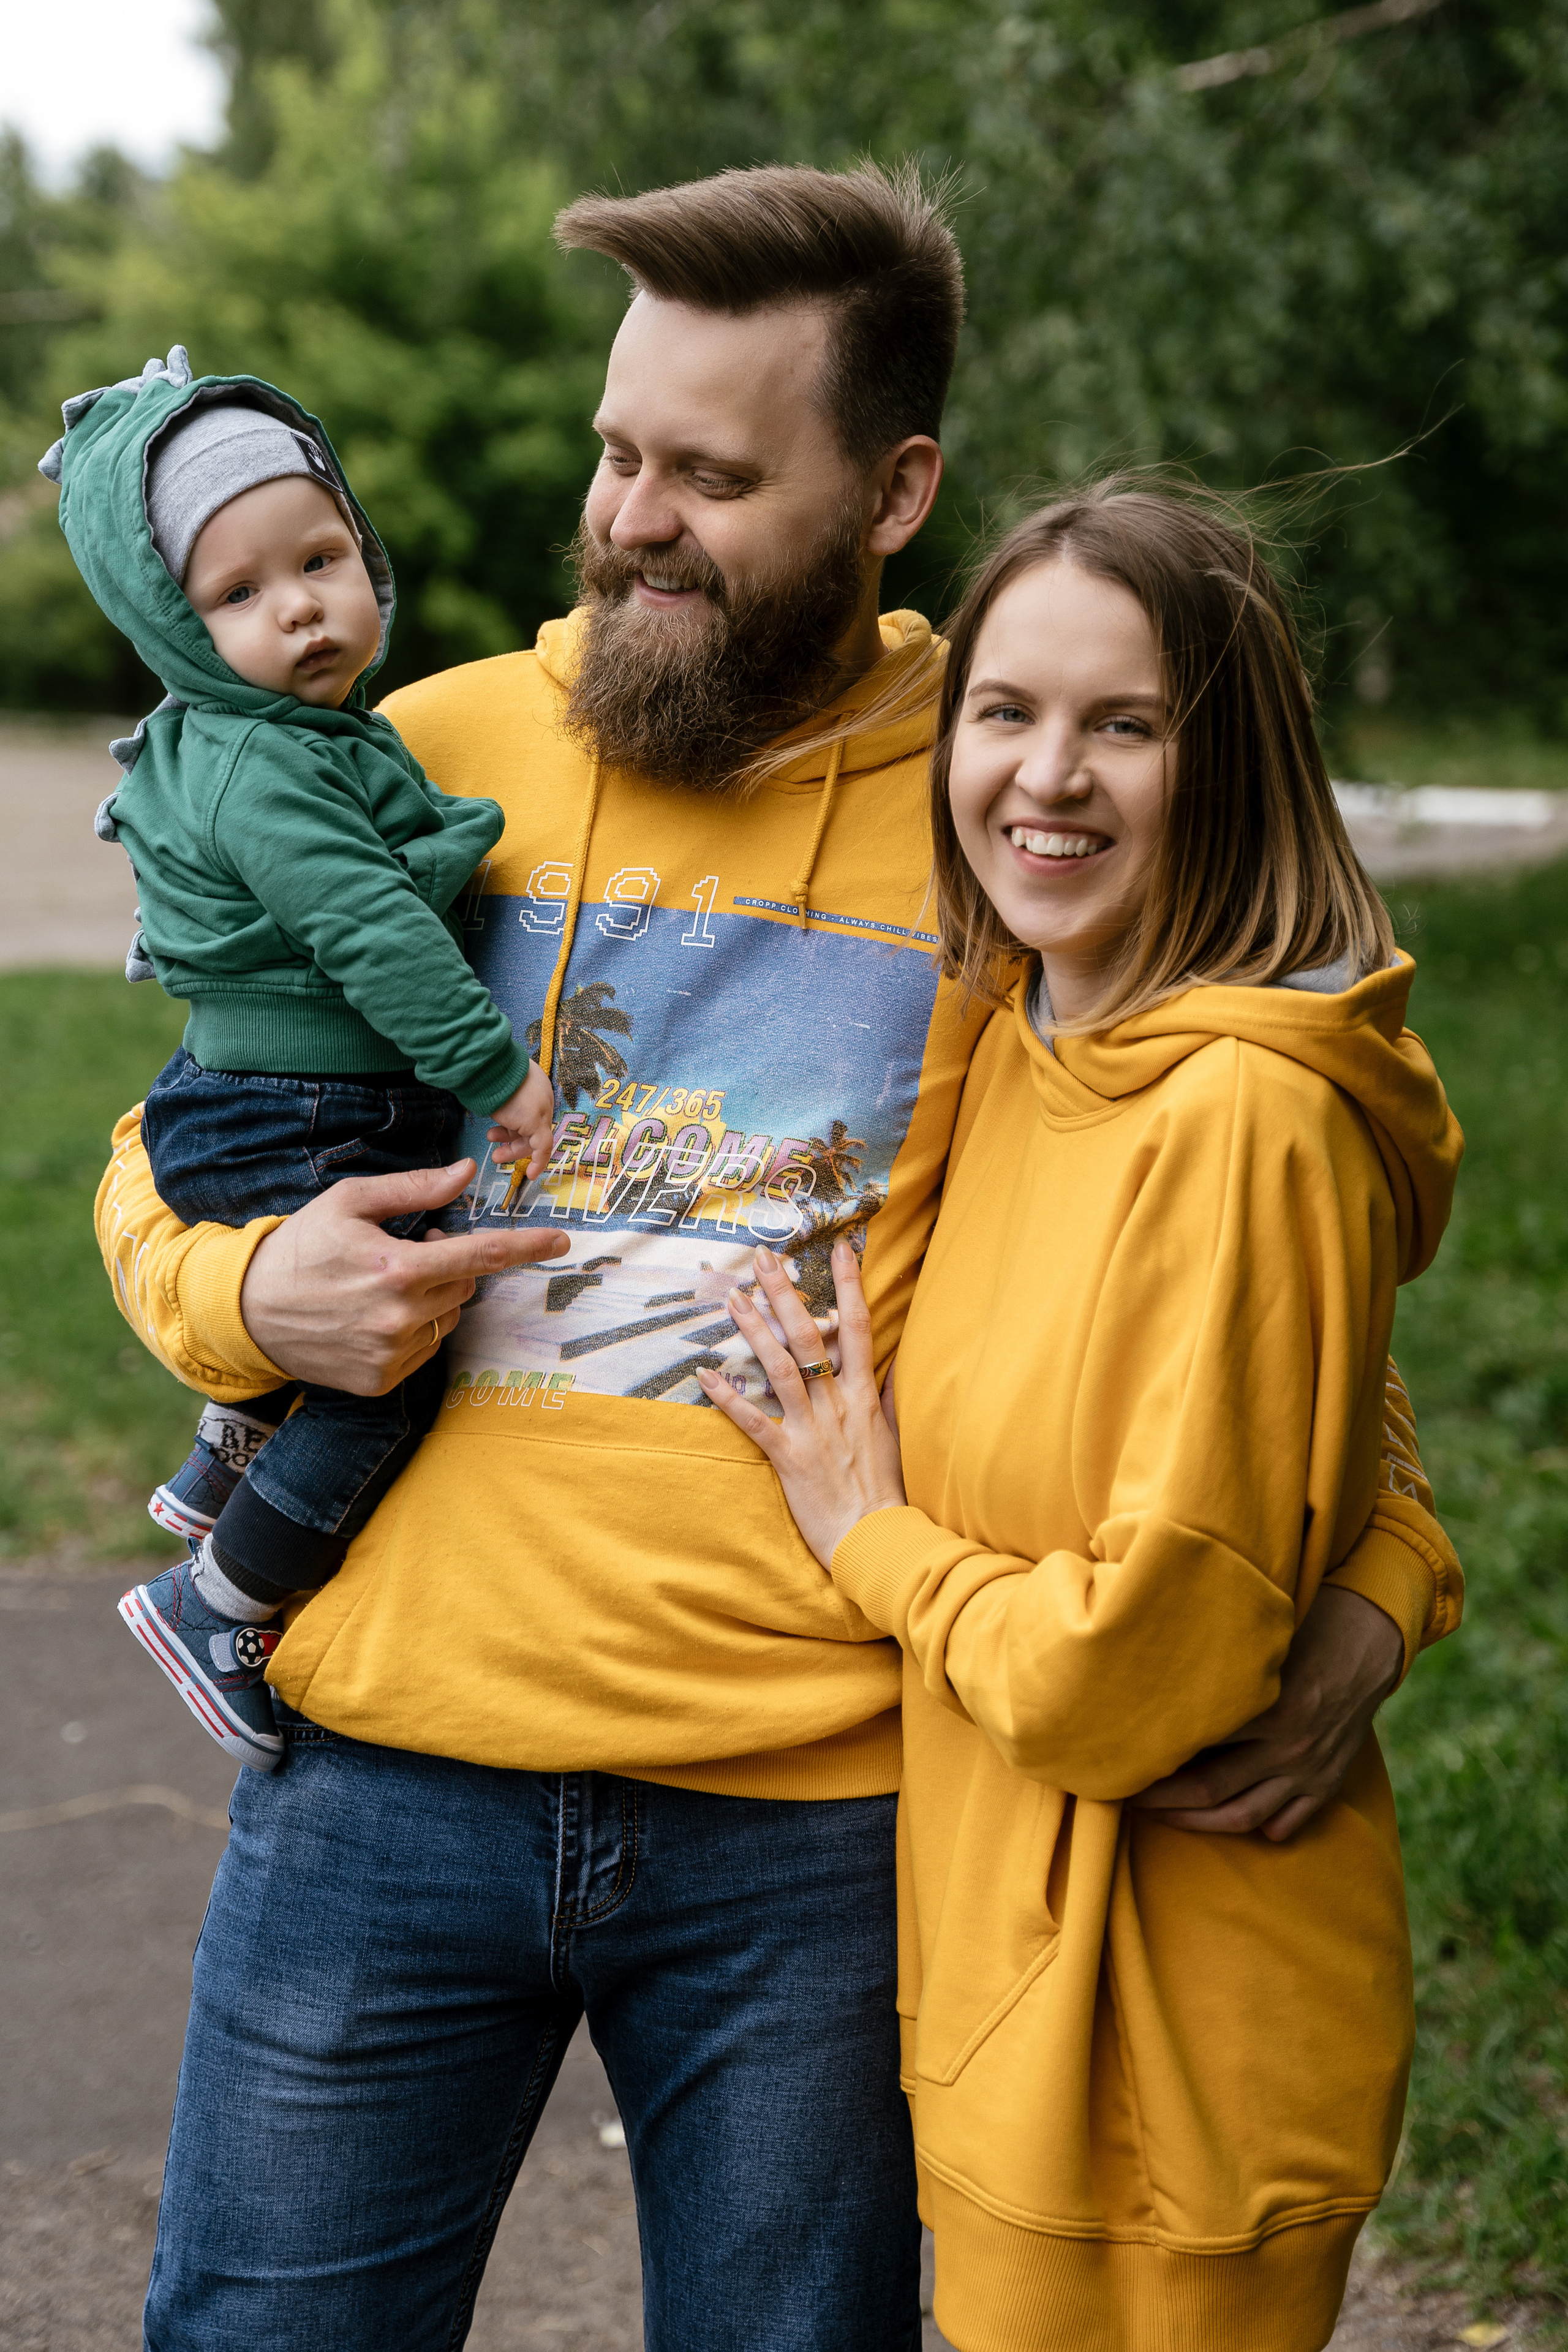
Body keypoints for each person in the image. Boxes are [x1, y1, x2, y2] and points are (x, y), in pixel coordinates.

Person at [92, 169, 1461, 2350]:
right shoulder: (414, 760)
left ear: (895, 487)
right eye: (621, 449)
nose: (633, 515)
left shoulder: (1013, 808)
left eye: (716, 476)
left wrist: (1379, 1598)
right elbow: (179, 1145)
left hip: (820, 1826)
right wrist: (240, 1300)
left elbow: (1256, 1239)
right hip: (385, 1784)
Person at [697, 481, 1464, 2352]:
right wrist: (1395, 1564)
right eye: (1008, 711)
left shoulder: (1246, 1117)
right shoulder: (1023, 1043)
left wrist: (864, 1531)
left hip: (1170, 2066)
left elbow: (1142, 1674)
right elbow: (1335, 1403)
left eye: (1125, 722)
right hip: (1014, 2024)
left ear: (1232, 762)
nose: (1049, 775)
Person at [44, 352, 556, 1771]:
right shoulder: (266, 765)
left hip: (258, 1097)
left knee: (358, 1316)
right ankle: (218, 1605)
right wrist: (494, 1065)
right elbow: (369, 926)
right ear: (175, 623)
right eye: (237, 596)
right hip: (296, 1107)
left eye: (322, 558)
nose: (300, 608)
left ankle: (224, 1462)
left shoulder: (287, 734)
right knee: (387, 1376)